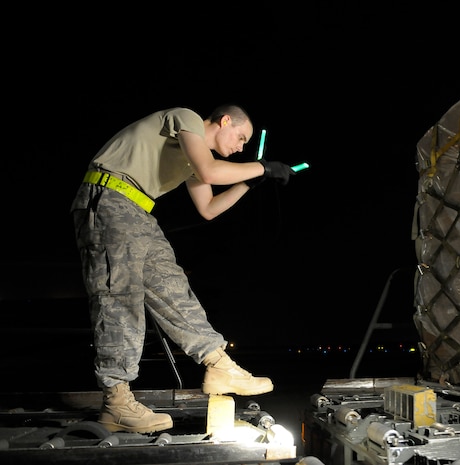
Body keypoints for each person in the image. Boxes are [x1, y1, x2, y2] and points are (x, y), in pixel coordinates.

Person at [70, 104, 295, 434]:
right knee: (120, 299)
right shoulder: (185, 118)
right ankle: (116, 402)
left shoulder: (193, 159)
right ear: (225, 121)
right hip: (109, 197)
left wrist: (249, 183)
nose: (241, 146)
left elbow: (208, 207)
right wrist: (260, 168)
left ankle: (218, 366)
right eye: (241, 137)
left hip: (139, 210)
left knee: (173, 287)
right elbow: (209, 172)